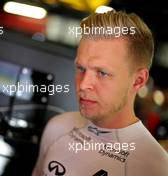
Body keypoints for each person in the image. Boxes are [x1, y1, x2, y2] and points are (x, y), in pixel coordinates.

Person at [32, 10, 168, 176]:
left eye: (102, 73)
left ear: (138, 80)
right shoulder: (58, 127)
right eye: (81, 68)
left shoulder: (154, 166)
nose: (83, 85)